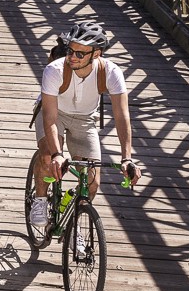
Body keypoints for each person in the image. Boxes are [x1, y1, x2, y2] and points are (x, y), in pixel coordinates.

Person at [27, 19, 143, 232]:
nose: (72, 57)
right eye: (70, 51)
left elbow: (122, 115)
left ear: (96, 54)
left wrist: (127, 158)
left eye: (80, 54)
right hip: (55, 113)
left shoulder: (111, 72)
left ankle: (75, 228)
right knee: (47, 157)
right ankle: (40, 200)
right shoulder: (54, 70)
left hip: (86, 119)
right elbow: (50, 117)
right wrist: (56, 154)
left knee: (92, 182)